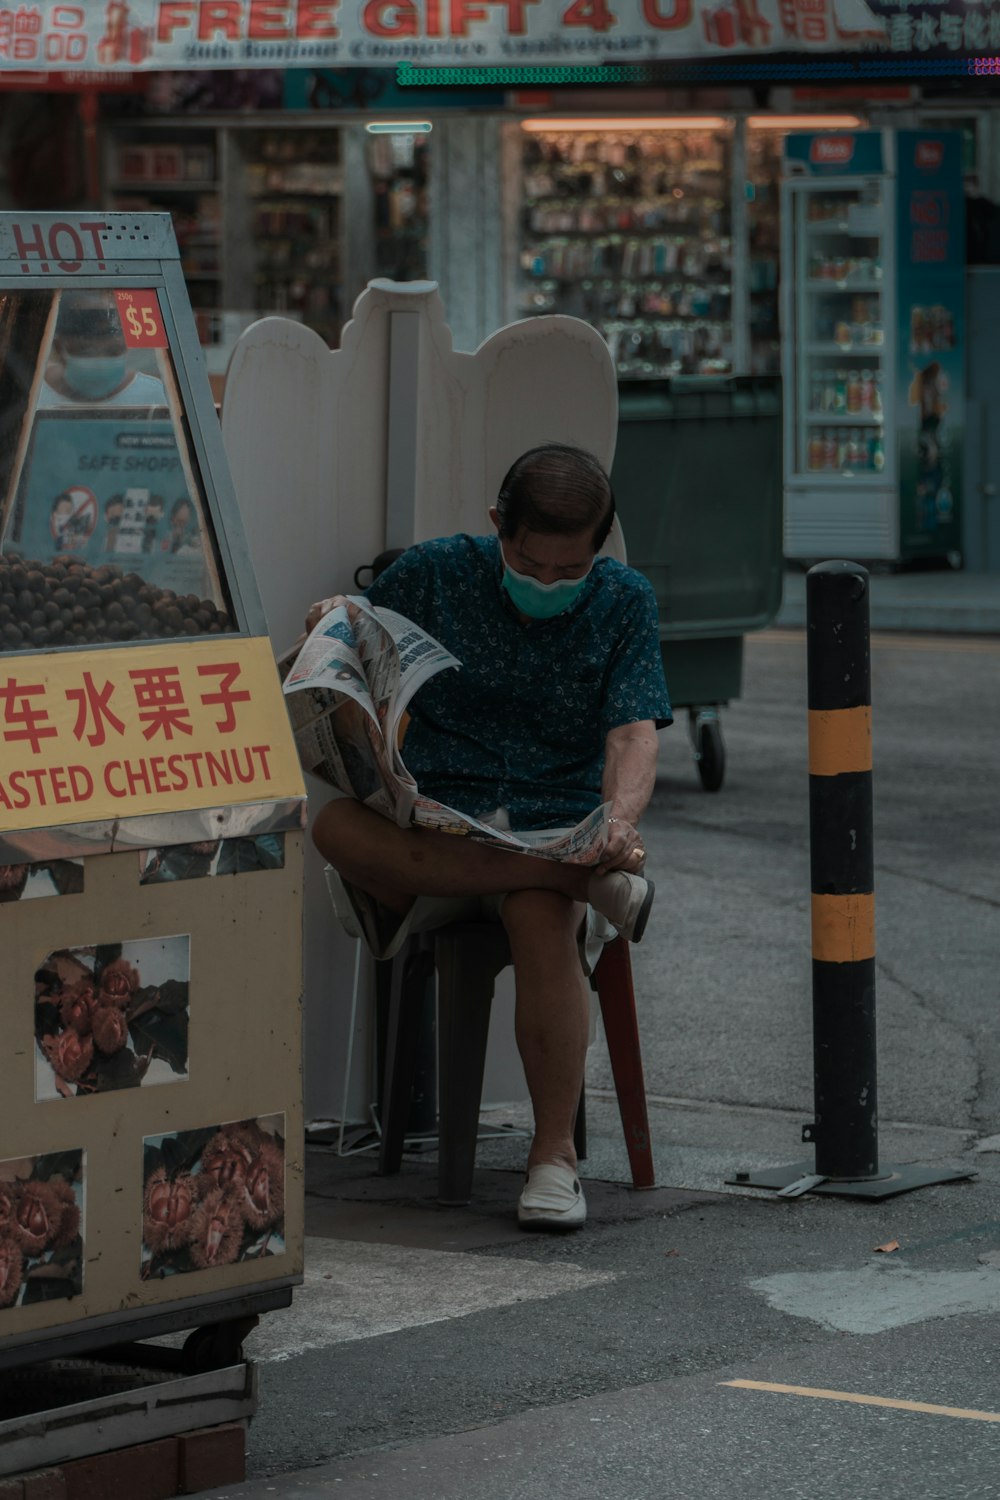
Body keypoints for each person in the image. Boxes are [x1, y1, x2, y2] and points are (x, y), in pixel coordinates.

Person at [308, 444, 672, 1232]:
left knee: (539, 912)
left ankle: (553, 1161)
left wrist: (619, 821)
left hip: (551, 818)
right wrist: (330, 637)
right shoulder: (437, 572)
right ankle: (579, 879)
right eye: (529, 563)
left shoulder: (624, 599)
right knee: (330, 821)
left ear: (599, 550)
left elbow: (633, 732)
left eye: (567, 572)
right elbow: (354, 645)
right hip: (438, 817)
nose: (546, 585)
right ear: (497, 526)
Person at [39, 291, 165, 409]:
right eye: (86, 351)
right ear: (58, 347)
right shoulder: (34, 395)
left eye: (112, 351)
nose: (99, 360)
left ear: (126, 346)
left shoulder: (155, 397)